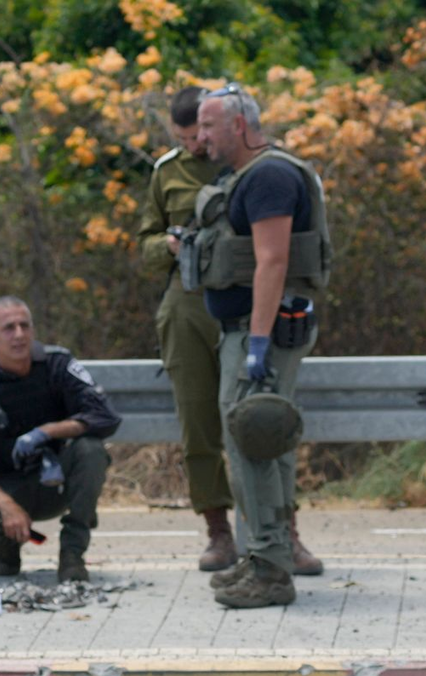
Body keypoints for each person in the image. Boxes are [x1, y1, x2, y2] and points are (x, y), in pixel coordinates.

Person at [189, 85, 328, 608]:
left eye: (208, 126)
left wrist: (259, 343)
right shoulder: (245, 176)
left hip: (259, 331)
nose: (201, 137)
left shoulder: (269, 176)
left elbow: (273, 260)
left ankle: (270, 568)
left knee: (253, 437)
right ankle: (268, 556)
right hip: (248, 328)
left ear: (239, 125)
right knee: (262, 441)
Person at [0, 296, 121, 583]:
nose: (19, 334)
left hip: (54, 482)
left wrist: (49, 431)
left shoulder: (58, 364)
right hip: (6, 485)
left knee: (91, 450)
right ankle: (8, 547)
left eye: (24, 326)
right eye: (9, 328)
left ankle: (72, 553)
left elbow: (105, 416)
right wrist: (7, 506)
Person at [136, 86, 235, 571]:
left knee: (261, 419)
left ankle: (281, 527)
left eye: (200, 135)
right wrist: (170, 246)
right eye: (185, 138)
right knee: (198, 425)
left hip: (243, 297)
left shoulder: (247, 162)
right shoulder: (167, 171)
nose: (196, 145)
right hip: (189, 300)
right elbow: (146, 245)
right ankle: (218, 530)